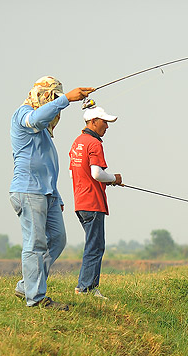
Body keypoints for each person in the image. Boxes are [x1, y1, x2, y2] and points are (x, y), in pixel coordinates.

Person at [9, 76, 95, 310]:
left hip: (48, 194)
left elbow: (47, 164)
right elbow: (36, 118)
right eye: (53, 98)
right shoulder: (23, 114)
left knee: (57, 239)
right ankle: (36, 298)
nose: (56, 106)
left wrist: (56, 194)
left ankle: (26, 285)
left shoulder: (44, 130)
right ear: (44, 96)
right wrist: (67, 99)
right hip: (28, 191)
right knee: (35, 243)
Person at [69, 101, 123, 299]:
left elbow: (74, 173)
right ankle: (86, 288)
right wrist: (114, 179)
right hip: (92, 201)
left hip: (80, 200)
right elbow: (97, 173)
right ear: (93, 122)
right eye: (104, 122)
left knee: (93, 244)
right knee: (96, 245)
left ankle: (87, 287)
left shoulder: (77, 142)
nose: (107, 126)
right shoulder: (94, 143)